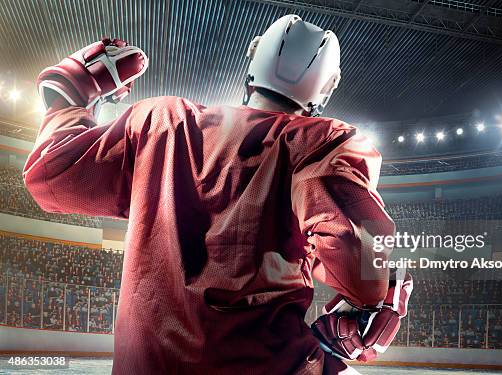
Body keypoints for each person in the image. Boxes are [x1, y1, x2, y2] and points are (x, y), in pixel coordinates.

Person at [24, 15, 411, 375]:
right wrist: (381, 293)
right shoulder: (320, 143)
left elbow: (51, 176)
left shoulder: (160, 120)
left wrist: (70, 97)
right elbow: (356, 249)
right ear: (327, 86)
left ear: (253, 58)